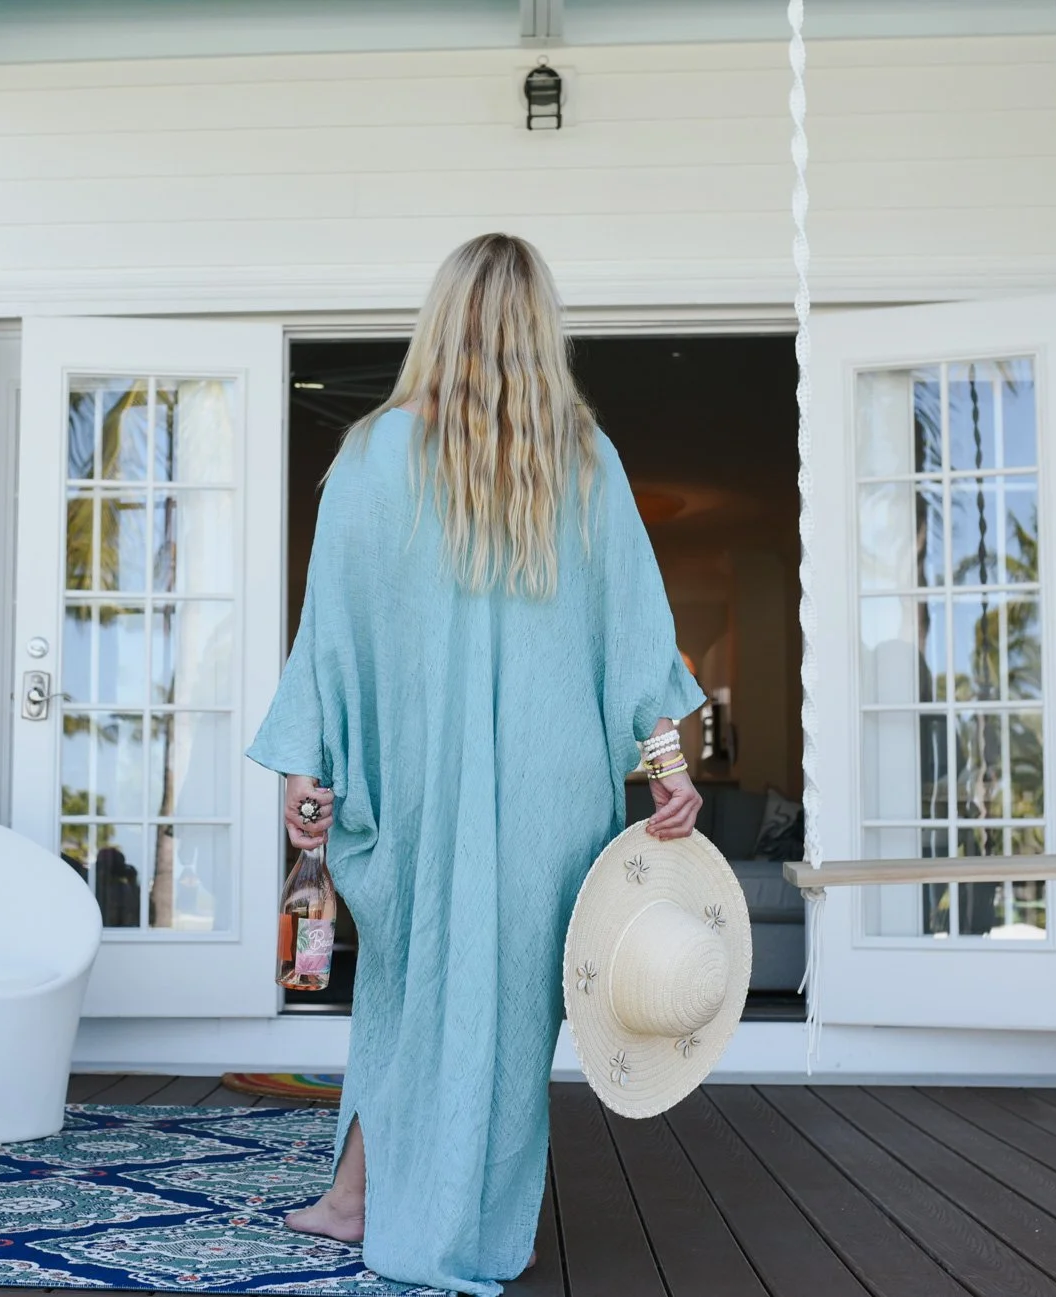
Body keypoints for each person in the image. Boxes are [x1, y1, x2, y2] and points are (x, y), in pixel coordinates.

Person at [246, 232, 705, 1296]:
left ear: (437, 318)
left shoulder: (368, 458)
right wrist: (665, 764)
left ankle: (372, 1202)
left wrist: (306, 770)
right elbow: (637, 640)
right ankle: (436, 1213)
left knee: (408, 998)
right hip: (547, 804)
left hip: (414, 795)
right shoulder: (580, 460)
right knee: (502, 1024)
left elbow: (331, 640)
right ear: (541, 326)